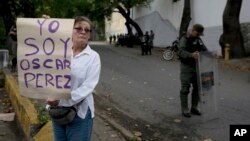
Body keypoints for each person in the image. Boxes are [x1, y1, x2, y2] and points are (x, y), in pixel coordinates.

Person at [47, 16, 101, 141]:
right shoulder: (60, 51)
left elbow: (87, 87)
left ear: (89, 35)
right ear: (70, 31)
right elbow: (46, 70)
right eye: (78, 28)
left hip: (79, 114)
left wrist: (61, 101)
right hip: (57, 112)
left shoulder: (93, 57)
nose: (83, 32)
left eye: (86, 30)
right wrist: (45, 27)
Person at [177, 24, 207, 118]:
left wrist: (212, 55)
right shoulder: (184, 39)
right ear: (193, 30)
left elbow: (204, 50)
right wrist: (191, 55)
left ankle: (194, 107)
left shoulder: (198, 39)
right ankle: (185, 108)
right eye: (197, 33)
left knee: (198, 87)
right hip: (187, 67)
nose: (199, 35)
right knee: (185, 88)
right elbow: (180, 51)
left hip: (197, 67)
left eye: (200, 34)